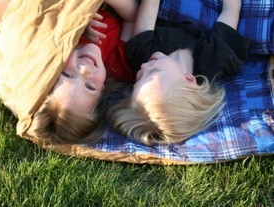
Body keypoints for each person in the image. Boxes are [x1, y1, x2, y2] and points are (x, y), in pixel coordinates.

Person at [107, 0, 250, 145]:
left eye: (139, 77)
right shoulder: (215, 59)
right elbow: (231, 9)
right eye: (153, 71)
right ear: (188, 79)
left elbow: (150, 4)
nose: (144, 66)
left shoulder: (141, 51)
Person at [27, 0, 139, 143]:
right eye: (90, 87)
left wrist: (78, 22)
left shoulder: (61, 37)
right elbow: (133, 18)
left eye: (68, 75)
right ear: (101, 92)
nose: (85, 70)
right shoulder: (118, 65)